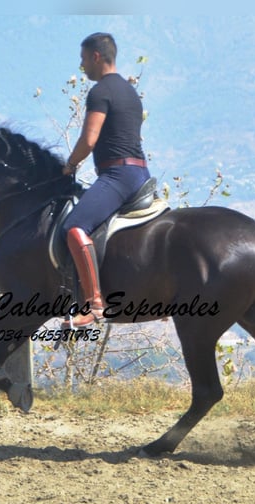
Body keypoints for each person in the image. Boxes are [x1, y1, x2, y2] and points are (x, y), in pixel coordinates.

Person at [62, 32, 151, 328]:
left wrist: (70, 165)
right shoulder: (129, 91)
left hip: (118, 175)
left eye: (84, 58)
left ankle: (94, 303)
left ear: (97, 57)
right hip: (140, 172)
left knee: (75, 227)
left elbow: (89, 140)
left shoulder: (100, 92)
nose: (81, 65)